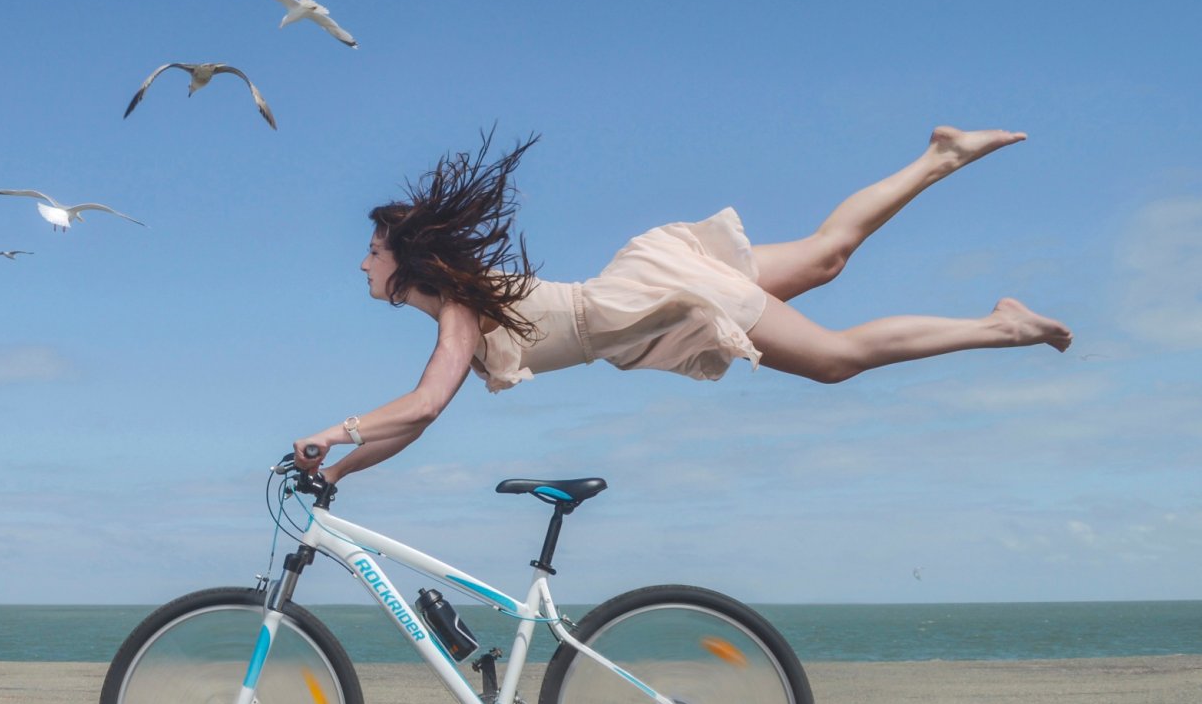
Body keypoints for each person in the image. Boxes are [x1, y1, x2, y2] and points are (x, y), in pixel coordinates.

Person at [293, 127, 1072, 484]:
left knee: (835, 360)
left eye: (372, 251)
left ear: (405, 261)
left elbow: (424, 407)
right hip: (647, 283)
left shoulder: (460, 312)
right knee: (828, 255)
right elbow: (415, 421)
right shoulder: (459, 310)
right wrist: (344, 472)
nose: (362, 262)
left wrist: (331, 434)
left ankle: (1000, 325)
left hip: (648, 300)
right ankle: (939, 156)